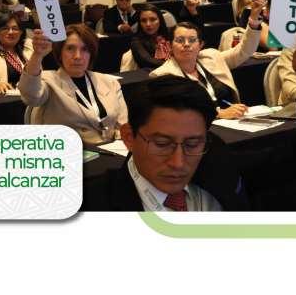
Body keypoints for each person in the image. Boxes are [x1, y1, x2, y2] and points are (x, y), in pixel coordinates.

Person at [82, 76, 242, 212]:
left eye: (192, 144)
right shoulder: (90, 205)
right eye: (162, 144)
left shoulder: (219, 162)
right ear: (129, 137)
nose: (178, 163)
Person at [149, 0, 266, 119]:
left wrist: (254, 18)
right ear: (170, 46)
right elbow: (174, 115)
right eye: (180, 40)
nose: (186, 44)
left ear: (200, 45)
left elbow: (244, 50)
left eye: (192, 40)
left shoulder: (211, 57)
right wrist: (218, 114)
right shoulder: (162, 75)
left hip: (233, 122)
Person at [19, 23, 127, 146]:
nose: (77, 56)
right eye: (70, 48)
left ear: (91, 54)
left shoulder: (110, 82)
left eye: (84, 49)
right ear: (60, 53)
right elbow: (30, 96)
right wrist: (38, 55)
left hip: (113, 150)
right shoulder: (48, 80)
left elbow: (123, 125)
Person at [0, 12, 34, 93]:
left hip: (33, 95)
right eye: (5, 28)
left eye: (15, 28)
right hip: (10, 97)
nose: (10, 32)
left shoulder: (29, 48)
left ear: (21, 32)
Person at [129, 6, 173, 70]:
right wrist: (174, 64)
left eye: (153, 19)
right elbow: (147, 61)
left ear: (160, 20)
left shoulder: (170, 33)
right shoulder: (136, 41)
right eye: (143, 20)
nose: (148, 24)